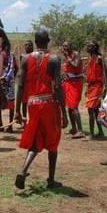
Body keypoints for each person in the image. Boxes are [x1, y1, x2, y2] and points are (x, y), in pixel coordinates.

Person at [14, 29, 68, 190]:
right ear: (48, 41)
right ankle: (51, 180)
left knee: (36, 139)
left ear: (35, 41)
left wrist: (17, 110)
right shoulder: (54, 59)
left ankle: (23, 172)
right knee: (53, 140)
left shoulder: (25, 58)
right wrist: (64, 112)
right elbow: (58, 86)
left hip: (32, 104)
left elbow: (20, 85)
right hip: (48, 103)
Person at [0, 29, 18, 133]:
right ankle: (10, 126)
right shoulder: (10, 55)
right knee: (10, 103)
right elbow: (16, 69)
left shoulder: (1, 54)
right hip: (9, 82)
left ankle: (0, 125)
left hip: (0, 81)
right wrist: (11, 78)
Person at [61, 42, 85, 138]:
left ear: (71, 46)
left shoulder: (76, 54)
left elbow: (75, 65)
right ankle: (74, 128)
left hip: (76, 84)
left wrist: (68, 57)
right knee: (70, 107)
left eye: (66, 46)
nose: (64, 48)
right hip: (68, 83)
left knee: (74, 106)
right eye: (63, 46)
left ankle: (80, 130)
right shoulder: (66, 56)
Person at [85, 41, 106, 139]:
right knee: (96, 110)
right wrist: (87, 87)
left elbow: (105, 74)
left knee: (90, 109)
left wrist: (105, 88)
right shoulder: (90, 58)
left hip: (97, 86)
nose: (88, 47)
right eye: (88, 46)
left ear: (95, 47)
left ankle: (91, 134)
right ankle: (101, 132)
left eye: (90, 46)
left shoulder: (99, 58)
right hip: (91, 86)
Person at [19, 40, 34, 121]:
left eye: (29, 45)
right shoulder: (22, 56)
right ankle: (24, 120)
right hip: (25, 81)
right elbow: (21, 69)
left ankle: (32, 119)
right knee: (24, 102)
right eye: (26, 45)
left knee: (32, 101)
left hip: (32, 81)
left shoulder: (35, 55)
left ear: (32, 46)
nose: (27, 46)